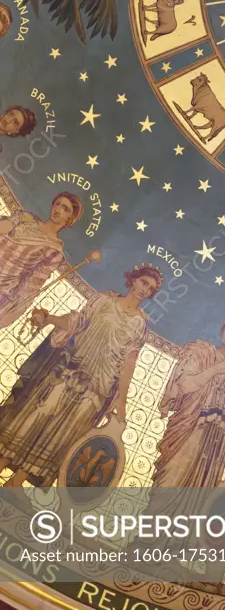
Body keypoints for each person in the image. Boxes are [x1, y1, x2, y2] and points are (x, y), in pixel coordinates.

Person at [0, 264, 162, 487]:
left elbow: (129, 363)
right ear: (133, 279)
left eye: (151, 289)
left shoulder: (140, 324)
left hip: (97, 388)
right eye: (144, 282)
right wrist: (48, 317)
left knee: (60, 435)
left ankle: (15, 483)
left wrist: (121, 400)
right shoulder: (104, 300)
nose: (146, 290)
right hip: (70, 369)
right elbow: (74, 322)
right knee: (35, 415)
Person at [153, 313, 225, 488]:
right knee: (171, 479)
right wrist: (213, 370)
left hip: (218, 435)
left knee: (200, 488)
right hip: (190, 424)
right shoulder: (202, 354)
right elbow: (185, 385)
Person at [0, 191, 83, 330]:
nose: (58, 209)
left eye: (65, 209)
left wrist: (12, 312)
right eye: (57, 204)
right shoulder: (26, 218)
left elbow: (31, 285)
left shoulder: (55, 250)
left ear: (70, 218)